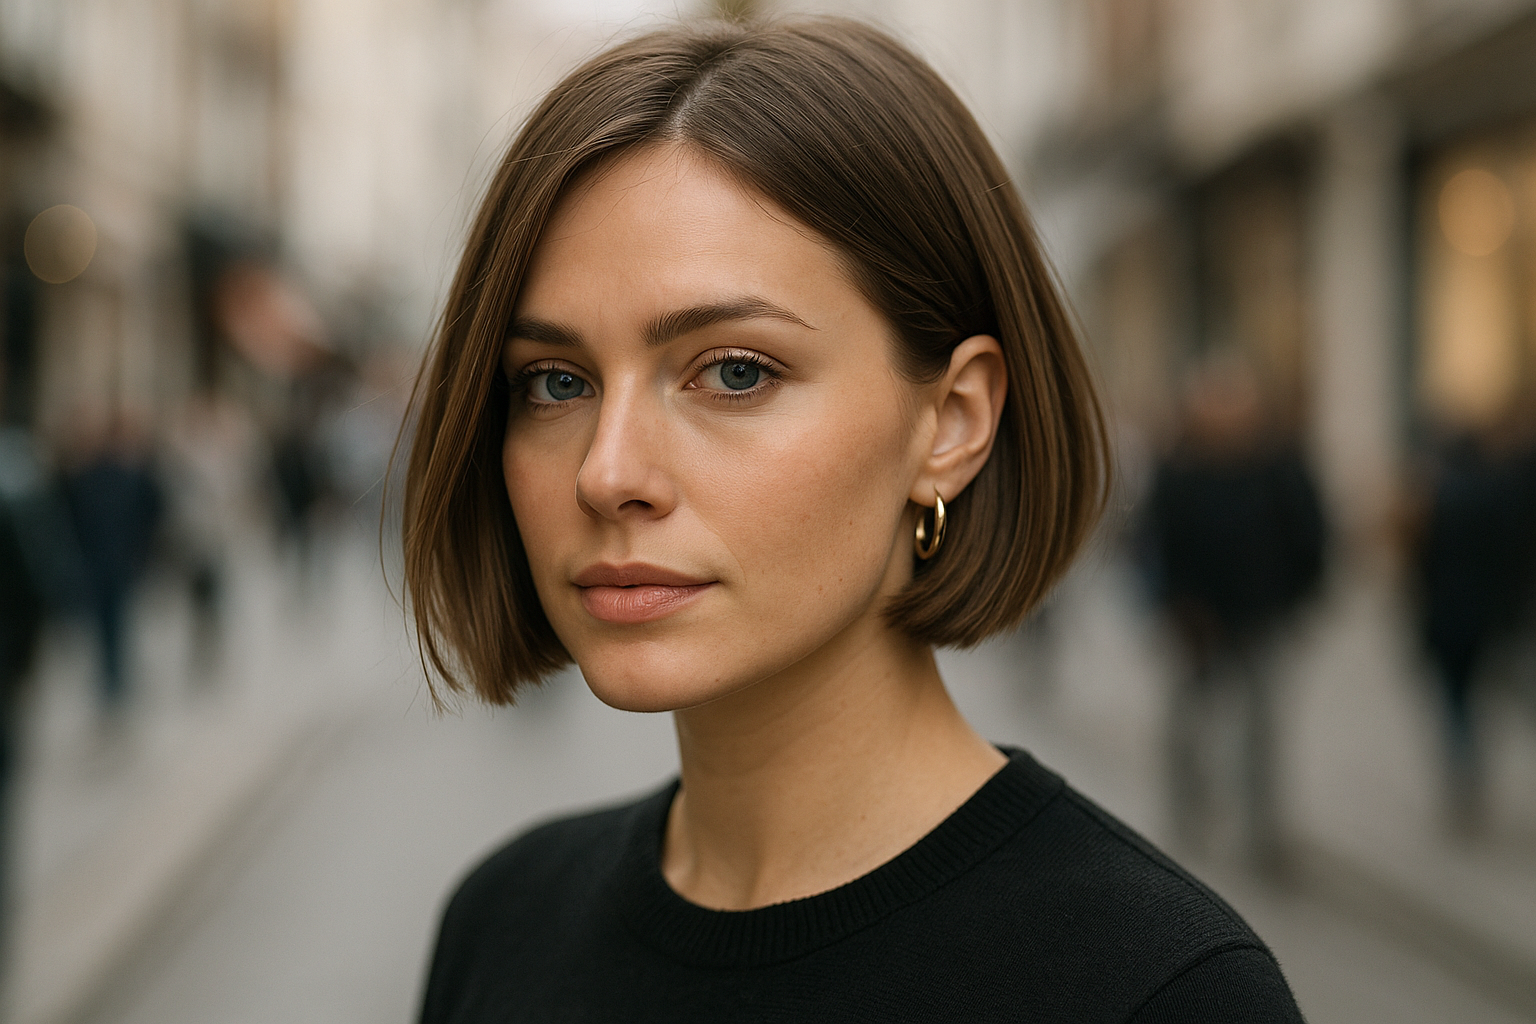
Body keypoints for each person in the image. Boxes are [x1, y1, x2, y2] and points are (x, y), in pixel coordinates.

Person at [404, 18, 1303, 1023]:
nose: (607, 473)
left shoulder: (1159, 990)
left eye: (735, 372)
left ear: (951, 423)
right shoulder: (504, 922)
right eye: (556, 381)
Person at [1142, 356, 1325, 869]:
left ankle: (1263, 828)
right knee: (1187, 721)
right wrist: (1174, 604)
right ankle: (1188, 814)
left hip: (1259, 614)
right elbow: (1156, 545)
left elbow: (1309, 533)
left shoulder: (1277, 467)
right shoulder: (1178, 471)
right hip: (1195, 622)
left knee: (1262, 724)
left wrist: (1297, 597)